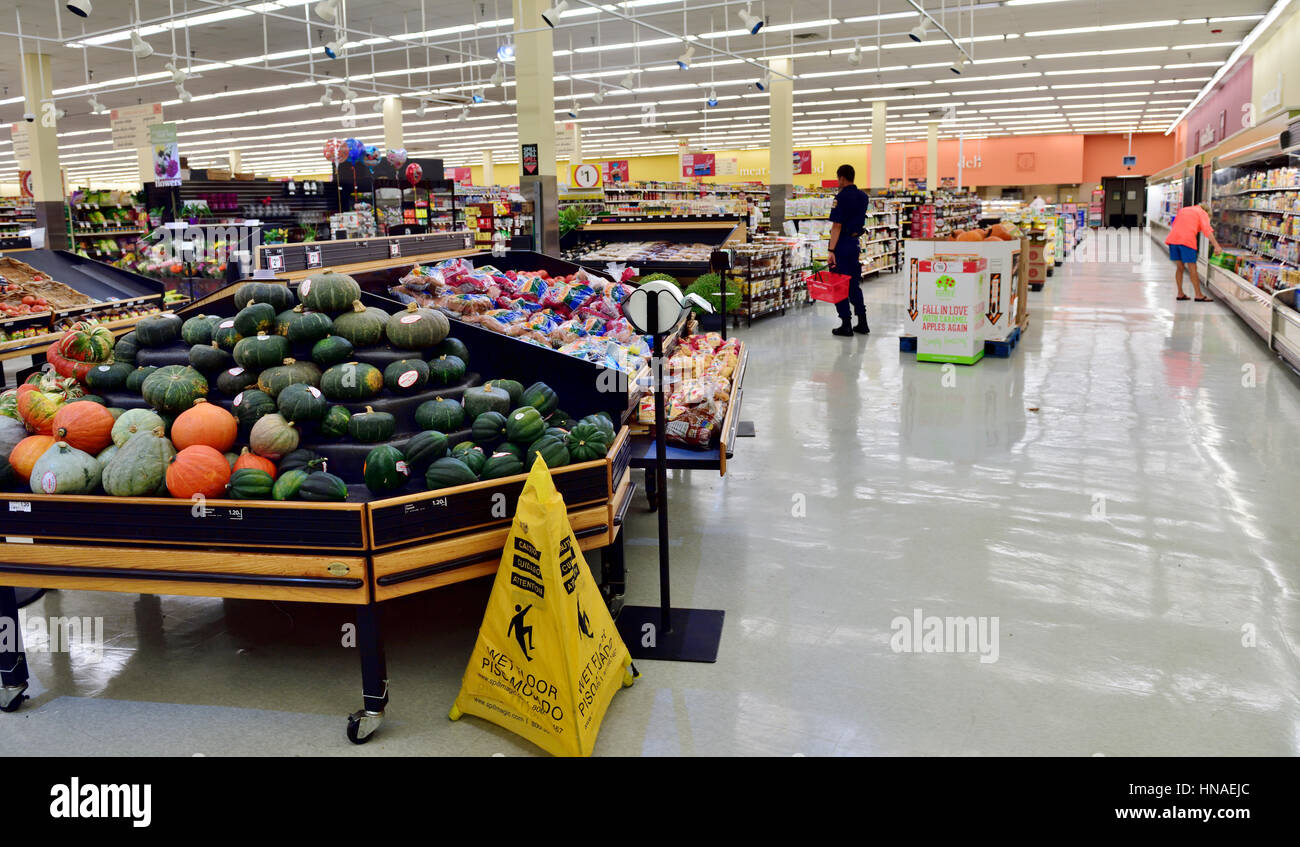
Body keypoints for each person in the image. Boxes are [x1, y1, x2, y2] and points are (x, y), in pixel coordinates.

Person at [827, 163, 870, 337]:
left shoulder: (841, 197)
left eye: (838, 178)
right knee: (853, 285)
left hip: (842, 245)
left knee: (838, 284)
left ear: (842, 178)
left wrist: (831, 250)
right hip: (855, 244)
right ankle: (863, 322)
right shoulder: (863, 196)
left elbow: (837, 226)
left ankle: (846, 324)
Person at [1164, 201, 1222, 302]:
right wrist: (1216, 246)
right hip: (1187, 241)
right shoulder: (1202, 213)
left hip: (1173, 240)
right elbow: (1207, 230)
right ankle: (1198, 295)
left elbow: (1175, 224)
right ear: (1207, 212)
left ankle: (1180, 293)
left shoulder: (1183, 210)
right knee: (1192, 268)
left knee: (1180, 267)